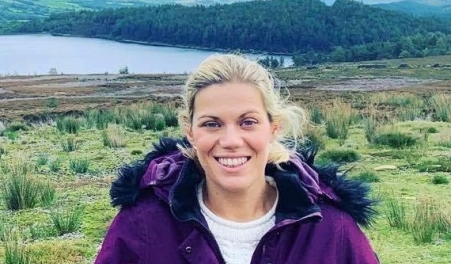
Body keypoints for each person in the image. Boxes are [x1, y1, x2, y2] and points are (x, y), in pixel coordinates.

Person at [94, 54, 379, 264]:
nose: (230, 141)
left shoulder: (330, 228)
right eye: (212, 124)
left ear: (273, 129)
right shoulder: (142, 224)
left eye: (247, 122)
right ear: (190, 133)